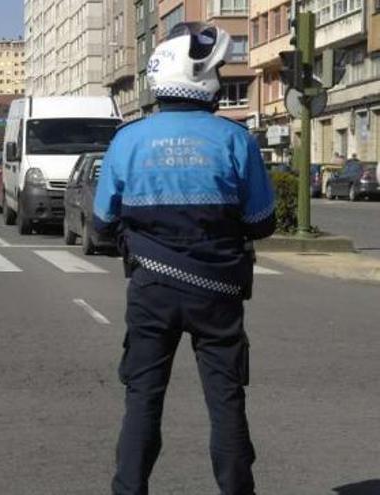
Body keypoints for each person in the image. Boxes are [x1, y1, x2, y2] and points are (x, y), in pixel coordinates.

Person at [93, 22, 277, 495]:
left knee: (143, 400)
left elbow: (101, 221)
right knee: (226, 401)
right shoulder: (235, 140)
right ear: (201, 80)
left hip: (151, 289)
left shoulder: (128, 140)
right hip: (218, 291)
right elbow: (262, 220)